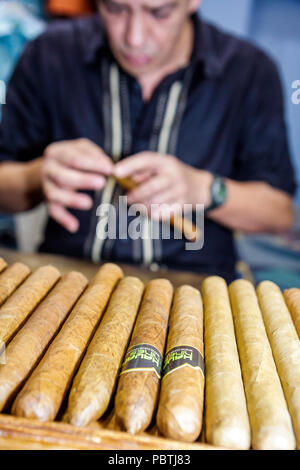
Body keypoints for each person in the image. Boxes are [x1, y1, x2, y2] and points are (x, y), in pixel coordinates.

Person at [0, 0, 296, 282]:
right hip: (67, 282)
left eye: (159, 12)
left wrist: (203, 188)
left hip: (198, 292)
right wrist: (36, 177)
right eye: (115, 8)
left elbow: (278, 213)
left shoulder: (249, 70)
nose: (134, 37)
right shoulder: (49, 54)